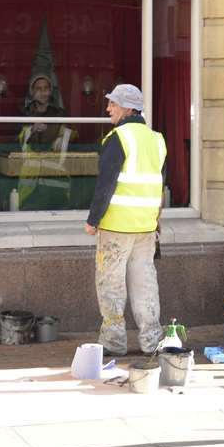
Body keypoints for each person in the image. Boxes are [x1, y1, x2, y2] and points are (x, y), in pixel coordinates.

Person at [83, 83, 166, 358]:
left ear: (129, 108)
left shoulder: (117, 138)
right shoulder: (157, 140)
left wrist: (93, 220)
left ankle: (113, 342)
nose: (108, 108)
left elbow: (105, 185)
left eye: (113, 104)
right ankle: (152, 340)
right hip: (145, 227)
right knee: (145, 283)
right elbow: (159, 186)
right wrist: (156, 222)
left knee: (111, 284)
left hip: (117, 227)